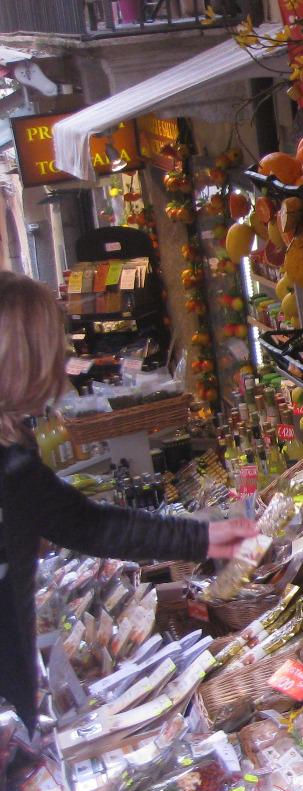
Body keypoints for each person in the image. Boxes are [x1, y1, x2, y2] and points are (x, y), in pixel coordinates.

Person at [0, 271, 259, 730]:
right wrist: (208, 537)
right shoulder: (11, 470)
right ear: (21, 358)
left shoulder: (14, 451)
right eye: (50, 346)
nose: (61, 358)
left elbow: (82, 524)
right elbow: (92, 527)